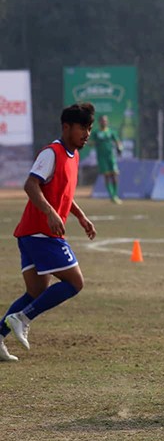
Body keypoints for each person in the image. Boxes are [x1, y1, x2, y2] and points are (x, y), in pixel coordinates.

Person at [1, 103, 98, 363]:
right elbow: (31, 185)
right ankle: (22, 318)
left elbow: (64, 193)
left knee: (35, 290)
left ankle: (0, 336)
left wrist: (81, 216)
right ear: (66, 127)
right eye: (82, 128)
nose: (87, 133)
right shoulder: (51, 153)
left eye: (89, 128)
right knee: (75, 282)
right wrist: (50, 213)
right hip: (40, 232)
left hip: (31, 233)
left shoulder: (73, 155)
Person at [90, 114, 123, 204]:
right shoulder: (96, 133)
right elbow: (90, 142)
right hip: (102, 157)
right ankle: (112, 196)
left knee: (114, 174)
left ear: (107, 122)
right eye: (102, 121)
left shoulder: (111, 132)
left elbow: (117, 141)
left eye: (105, 120)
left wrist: (119, 147)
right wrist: (92, 143)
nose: (104, 122)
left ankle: (115, 195)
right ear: (99, 122)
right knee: (107, 176)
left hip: (111, 156)